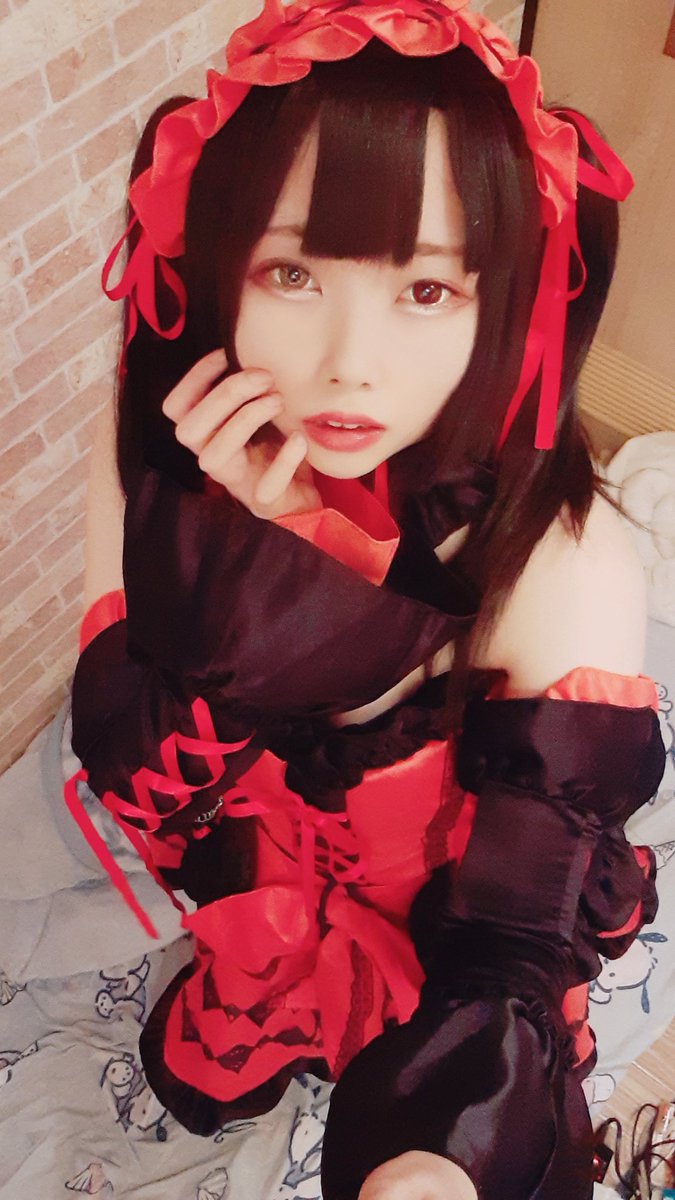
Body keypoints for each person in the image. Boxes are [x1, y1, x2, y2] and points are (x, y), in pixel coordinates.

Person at [64, 1, 666, 1197]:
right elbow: (141, 775)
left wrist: (433, 1172)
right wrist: (235, 568)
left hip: (440, 911)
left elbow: (511, 942)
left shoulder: (567, 558)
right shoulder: (158, 454)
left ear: (508, 300)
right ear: (215, 270)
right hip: (260, 868)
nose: (352, 363)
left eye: (429, 290)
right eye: (292, 272)